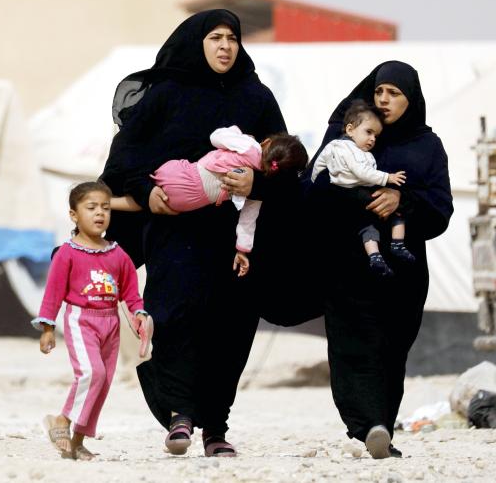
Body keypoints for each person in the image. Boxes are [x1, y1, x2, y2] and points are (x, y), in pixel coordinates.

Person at [100, 10, 291, 457]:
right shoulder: (166, 94)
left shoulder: (256, 98)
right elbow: (124, 160)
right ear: (196, 43)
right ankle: (179, 415)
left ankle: (216, 426)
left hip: (233, 237)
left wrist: (256, 183)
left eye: (232, 39)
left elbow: (284, 161)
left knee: (230, 327)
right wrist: (146, 193)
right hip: (174, 233)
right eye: (216, 38)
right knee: (174, 318)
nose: (226, 46)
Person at [309, 61, 452, 458]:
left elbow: (442, 209)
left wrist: (401, 199)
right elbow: (314, 188)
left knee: (391, 349)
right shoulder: (347, 135)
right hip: (348, 265)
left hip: (403, 270)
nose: (385, 100)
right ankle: (367, 423)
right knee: (355, 345)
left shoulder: (427, 145)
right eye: (379, 92)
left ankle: (381, 429)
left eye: (395, 93)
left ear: (412, 99)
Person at [33, 182, 151, 460]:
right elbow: (53, 294)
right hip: (81, 320)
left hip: (110, 323)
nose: (100, 213)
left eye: (105, 208)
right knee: (91, 373)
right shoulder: (67, 253)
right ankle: (61, 419)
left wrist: (140, 314)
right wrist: (47, 328)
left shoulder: (118, 254)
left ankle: (77, 441)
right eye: (91, 208)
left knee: (103, 382)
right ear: (74, 215)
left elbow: (131, 295)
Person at [111, 126, 307, 276]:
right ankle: (111, 202)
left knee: (152, 189)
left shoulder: (249, 146)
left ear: (266, 143)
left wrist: (237, 132)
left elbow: (216, 136)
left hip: (183, 175)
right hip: (188, 202)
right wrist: (242, 250)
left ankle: (109, 201)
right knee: (162, 199)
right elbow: (248, 221)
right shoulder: (256, 187)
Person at [311, 100, 410, 278]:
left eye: (376, 136)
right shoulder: (344, 147)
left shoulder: (358, 151)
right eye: (368, 132)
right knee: (397, 209)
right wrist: (388, 178)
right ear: (350, 130)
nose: (372, 139)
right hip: (350, 192)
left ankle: (375, 256)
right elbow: (362, 172)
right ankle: (397, 243)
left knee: (367, 224)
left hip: (351, 193)